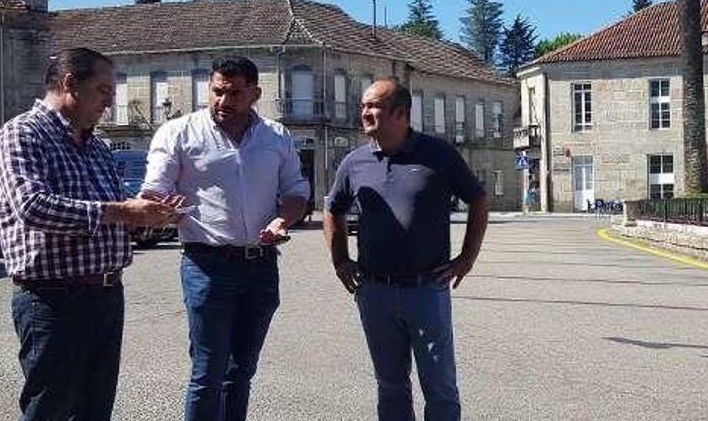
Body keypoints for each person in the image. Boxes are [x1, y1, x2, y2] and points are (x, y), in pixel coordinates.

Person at [0, 47, 181, 421]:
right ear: (69, 85)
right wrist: (123, 211)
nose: (110, 103)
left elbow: (110, 213)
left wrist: (147, 218)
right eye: (104, 91)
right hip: (54, 298)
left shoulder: (96, 145)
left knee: (95, 410)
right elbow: (33, 207)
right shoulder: (22, 134)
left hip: (106, 294)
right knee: (50, 409)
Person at [141, 55, 310, 421]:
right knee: (208, 370)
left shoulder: (275, 136)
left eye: (234, 93)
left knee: (241, 371)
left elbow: (297, 190)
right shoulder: (179, 133)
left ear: (255, 94)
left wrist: (284, 219)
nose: (223, 101)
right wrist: (161, 207)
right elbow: (154, 188)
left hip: (260, 266)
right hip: (206, 265)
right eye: (217, 92)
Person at [323, 78, 489, 421]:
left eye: (373, 106)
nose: (364, 112)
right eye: (364, 106)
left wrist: (466, 258)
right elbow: (332, 208)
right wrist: (340, 259)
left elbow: (478, 198)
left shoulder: (438, 155)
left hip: (426, 289)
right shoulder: (354, 162)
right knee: (390, 384)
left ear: (401, 114)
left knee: (440, 386)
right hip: (374, 291)